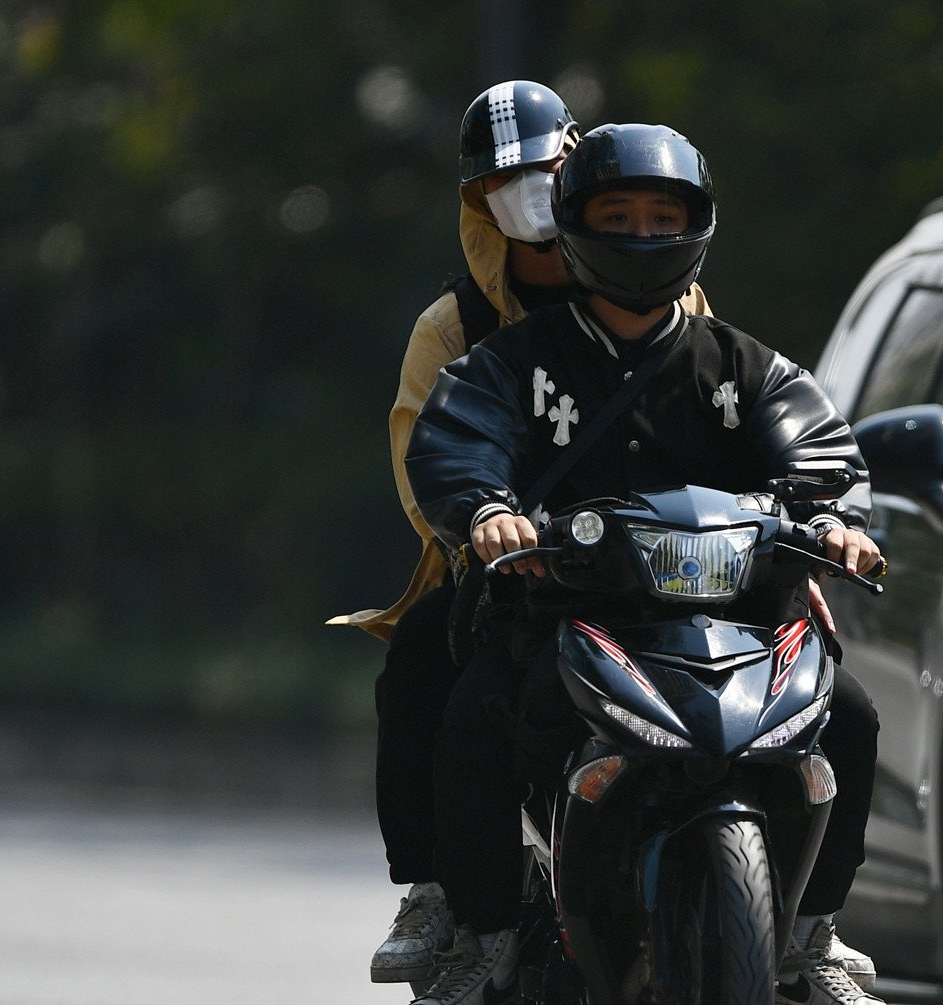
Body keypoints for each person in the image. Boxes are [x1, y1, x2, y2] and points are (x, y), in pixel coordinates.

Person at [404, 123, 887, 1005]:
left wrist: (835, 524)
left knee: (848, 714)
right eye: (615, 213)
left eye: (662, 213)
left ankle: (813, 934)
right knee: (474, 718)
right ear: (574, 225)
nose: (639, 233)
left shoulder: (749, 364)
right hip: (563, 622)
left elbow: (821, 455)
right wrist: (490, 511)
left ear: (698, 225)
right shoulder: (505, 363)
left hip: (740, 626)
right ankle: (484, 939)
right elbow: (457, 447)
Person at [325, 79, 717, 986]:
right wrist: (491, 528)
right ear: (478, 201)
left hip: (660, 564)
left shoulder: (660, 297)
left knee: (825, 693)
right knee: (434, 674)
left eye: (547, 171)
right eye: (506, 180)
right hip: (521, 570)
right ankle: (450, 900)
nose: (530, 194)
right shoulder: (454, 327)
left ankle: (801, 920)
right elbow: (426, 460)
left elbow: (725, 427)